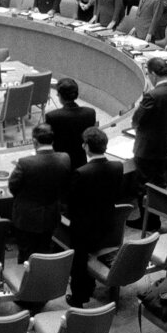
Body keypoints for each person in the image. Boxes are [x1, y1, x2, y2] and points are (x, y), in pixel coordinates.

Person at [65, 127, 123, 308]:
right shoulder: (117, 166)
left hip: (83, 229)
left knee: (78, 262)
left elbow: (71, 203)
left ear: (87, 147)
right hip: (107, 223)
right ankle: (89, 287)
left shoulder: (81, 173)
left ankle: (78, 298)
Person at [130, 58, 167, 229]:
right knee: (159, 182)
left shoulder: (152, 95)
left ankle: (147, 221)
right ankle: (156, 218)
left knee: (143, 186)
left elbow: (136, 120)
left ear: (153, 74)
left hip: (146, 148)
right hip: (164, 143)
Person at [8, 123, 70, 263]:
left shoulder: (25, 163)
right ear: (52, 140)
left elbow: (13, 186)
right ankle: (43, 279)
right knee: (45, 250)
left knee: (26, 255)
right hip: (51, 215)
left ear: (35, 142)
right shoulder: (65, 158)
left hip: (26, 218)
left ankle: (29, 282)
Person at [45, 78, 97, 171]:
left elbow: (49, 141)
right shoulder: (90, 113)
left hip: (60, 165)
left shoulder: (52, 117)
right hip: (81, 163)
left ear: (59, 95)